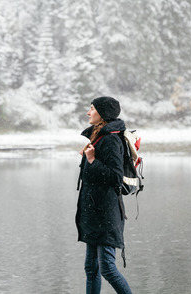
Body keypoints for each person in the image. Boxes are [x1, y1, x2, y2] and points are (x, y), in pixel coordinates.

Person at [75, 96, 132, 294]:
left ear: (103, 113)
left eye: (92, 108)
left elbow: (116, 177)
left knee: (107, 267)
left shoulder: (110, 140)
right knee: (91, 269)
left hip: (106, 215)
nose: (88, 112)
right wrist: (88, 157)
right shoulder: (98, 137)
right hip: (94, 214)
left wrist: (92, 160)